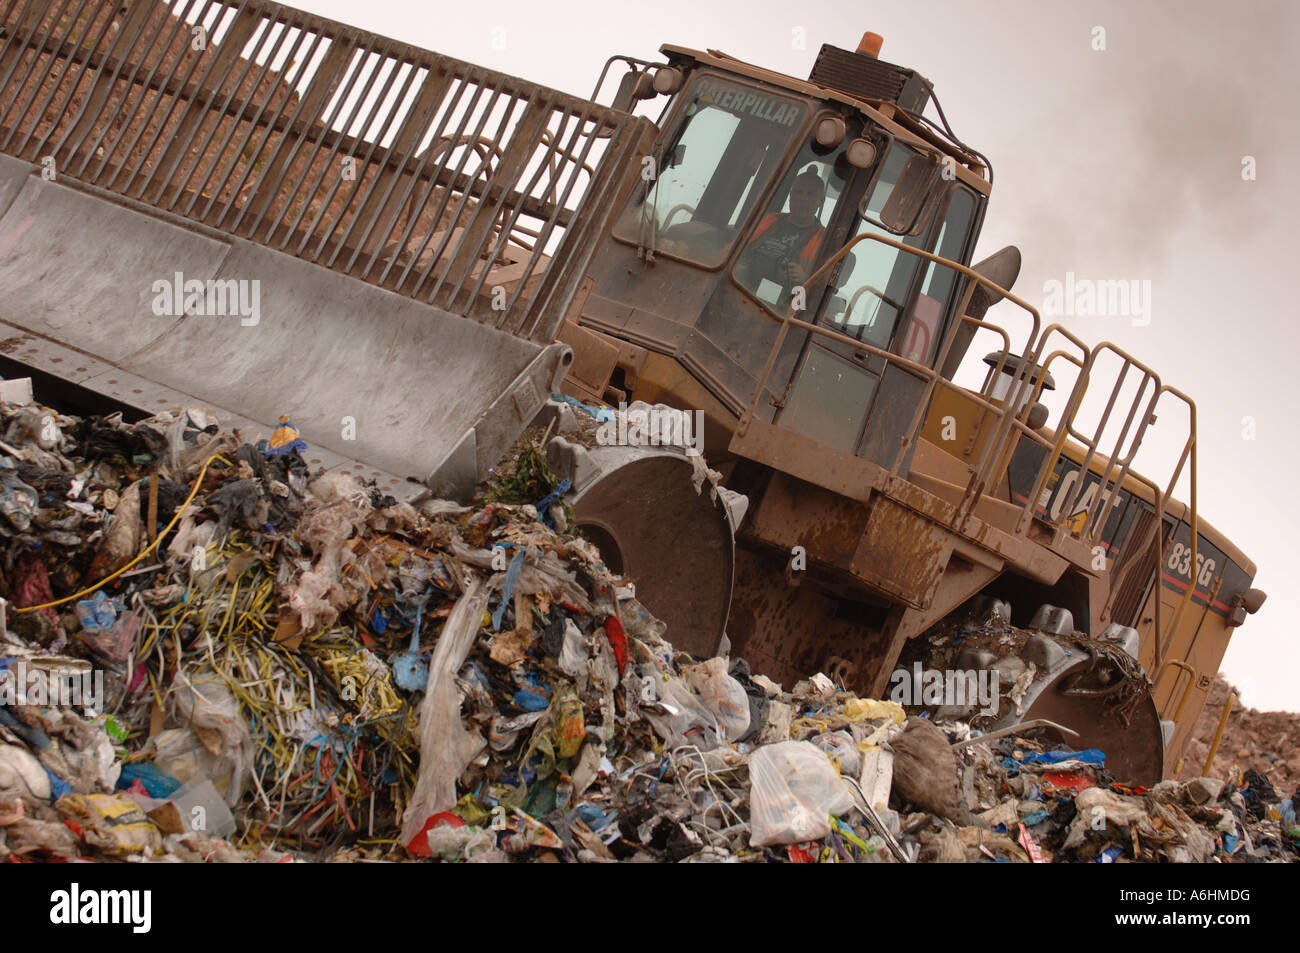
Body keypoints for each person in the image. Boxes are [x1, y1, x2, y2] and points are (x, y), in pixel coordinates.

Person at [738, 169, 827, 293]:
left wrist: (805, 280)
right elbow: (737, 247)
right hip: (738, 282)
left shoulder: (825, 240)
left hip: (777, 303)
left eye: (810, 194)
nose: (802, 198)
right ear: (791, 195)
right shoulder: (770, 219)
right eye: (798, 192)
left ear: (821, 201)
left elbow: (821, 288)